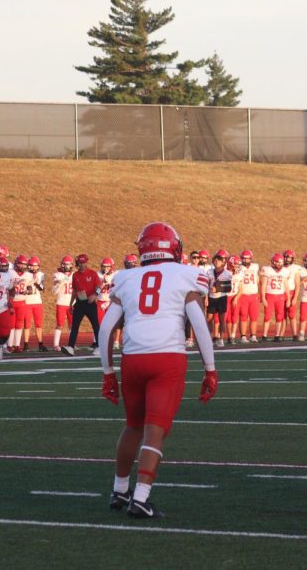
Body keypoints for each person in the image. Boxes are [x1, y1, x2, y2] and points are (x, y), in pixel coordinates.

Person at [98, 221, 218, 519]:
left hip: (133, 358)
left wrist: (107, 371)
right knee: (156, 431)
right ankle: (140, 498)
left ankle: (119, 489)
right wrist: (210, 368)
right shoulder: (188, 274)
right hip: (167, 358)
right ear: (174, 247)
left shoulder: (126, 278)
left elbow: (105, 328)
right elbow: (199, 323)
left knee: (133, 426)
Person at [65, 254, 102, 356]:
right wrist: (70, 304)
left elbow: (100, 287)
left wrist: (94, 295)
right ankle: (71, 347)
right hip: (80, 303)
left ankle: (99, 347)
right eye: (80, 263)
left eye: (84, 262)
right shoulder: (75, 275)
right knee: (75, 326)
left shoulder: (93, 273)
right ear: (78, 263)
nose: (82, 264)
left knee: (95, 325)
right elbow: (74, 291)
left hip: (90, 303)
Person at [259, 253, 291, 342]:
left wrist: (288, 298)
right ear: (272, 262)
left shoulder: (285, 271)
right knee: (267, 316)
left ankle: (277, 335)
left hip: (280, 296)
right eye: (276, 262)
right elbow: (263, 285)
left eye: (279, 262)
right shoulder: (267, 270)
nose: (278, 264)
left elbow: (286, 286)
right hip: (269, 295)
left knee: (279, 316)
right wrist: (263, 297)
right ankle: (264, 335)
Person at [234, 251, 260, 343]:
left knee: (254, 317)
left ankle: (253, 335)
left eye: (247, 258)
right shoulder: (239, 267)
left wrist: (259, 292)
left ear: (251, 258)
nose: (245, 260)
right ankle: (243, 336)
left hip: (253, 294)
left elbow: (257, 280)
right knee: (243, 316)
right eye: (244, 258)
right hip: (243, 294)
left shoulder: (255, 266)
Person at [51, 256, 75, 351]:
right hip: (61, 302)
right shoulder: (58, 275)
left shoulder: (74, 275)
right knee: (60, 324)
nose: (66, 266)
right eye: (65, 264)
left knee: (72, 324)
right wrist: (60, 283)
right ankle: (56, 344)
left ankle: (71, 343)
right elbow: (54, 291)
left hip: (72, 303)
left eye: (68, 264)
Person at [28, 256, 47, 351]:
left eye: (35, 266)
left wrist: (37, 284)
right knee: (26, 325)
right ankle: (25, 345)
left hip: (37, 301)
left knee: (39, 324)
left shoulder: (41, 275)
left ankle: (40, 343)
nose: (33, 268)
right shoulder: (25, 274)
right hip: (27, 301)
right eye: (31, 266)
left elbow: (43, 289)